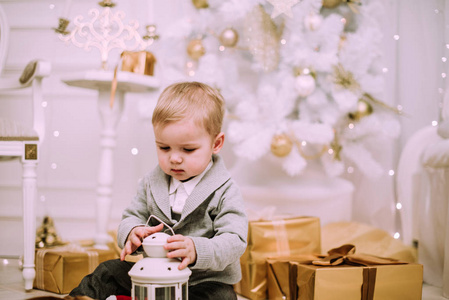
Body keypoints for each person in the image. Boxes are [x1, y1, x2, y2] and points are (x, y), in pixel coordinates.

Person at [67, 81, 248, 300]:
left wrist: (197, 249)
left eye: (188, 149)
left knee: (221, 297)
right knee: (107, 272)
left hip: (203, 280)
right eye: (164, 147)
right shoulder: (150, 183)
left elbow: (234, 240)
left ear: (216, 144)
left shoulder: (225, 189)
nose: (174, 158)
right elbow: (131, 216)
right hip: (152, 274)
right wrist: (132, 232)